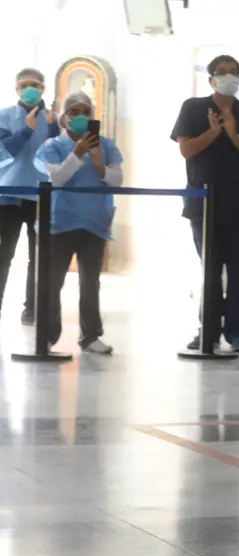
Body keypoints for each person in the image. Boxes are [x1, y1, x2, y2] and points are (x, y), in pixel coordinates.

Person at [171, 54, 239, 353]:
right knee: (210, 269)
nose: (229, 77)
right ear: (211, 78)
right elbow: (186, 150)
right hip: (204, 203)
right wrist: (213, 132)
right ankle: (208, 331)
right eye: (222, 72)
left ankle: (237, 332)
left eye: (234, 72)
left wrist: (233, 134)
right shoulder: (194, 107)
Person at [33, 92, 123, 354]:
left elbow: (116, 180)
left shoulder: (106, 146)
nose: (81, 116)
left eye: (86, 111)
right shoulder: (51, 147)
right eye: (74, 111)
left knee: (91, 282)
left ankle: (91, 335)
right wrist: (77, 153)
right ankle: (46, 336)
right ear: (63, 118)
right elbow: (57, 178)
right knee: (51, 282)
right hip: (59, 223)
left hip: (95, 223)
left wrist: (97, 165)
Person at [0, 68, 60, 325]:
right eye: (24, 85)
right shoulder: (4, 116)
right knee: (4, 254)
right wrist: (26, 130)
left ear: (43, 88)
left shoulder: (53, 118)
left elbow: (58, 154)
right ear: (16, 89)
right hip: (9, 194)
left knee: (39, 256)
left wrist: (54, 128)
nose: (30, 89)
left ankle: (33, 308)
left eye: (35, 85)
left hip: (42, 195)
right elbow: (4, 152)